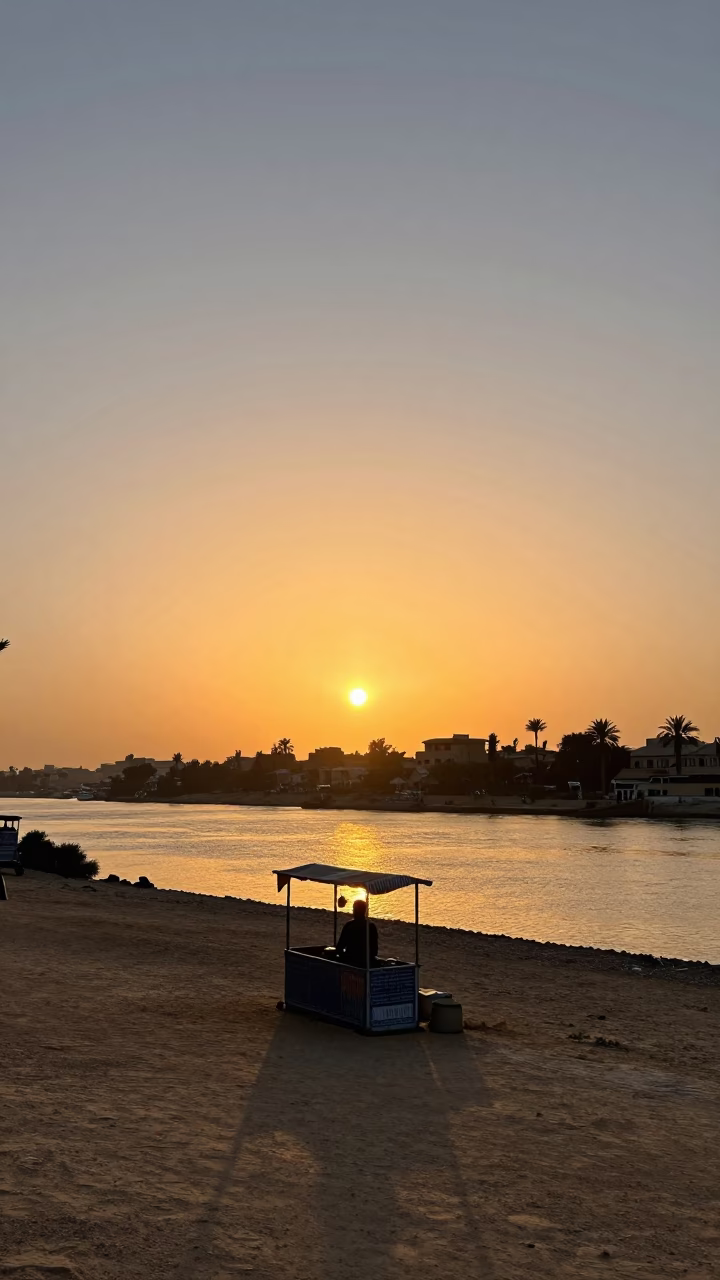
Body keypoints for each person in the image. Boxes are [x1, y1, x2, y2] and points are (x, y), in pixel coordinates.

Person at [336, 897, 378, 968]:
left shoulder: (349, 925)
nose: (353, 911)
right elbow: (374, 950)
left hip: (351, 961)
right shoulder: (371, 926)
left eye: (354, 909)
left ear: (356, 910)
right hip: (366, 962)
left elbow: (340, 947)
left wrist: (344, 956)